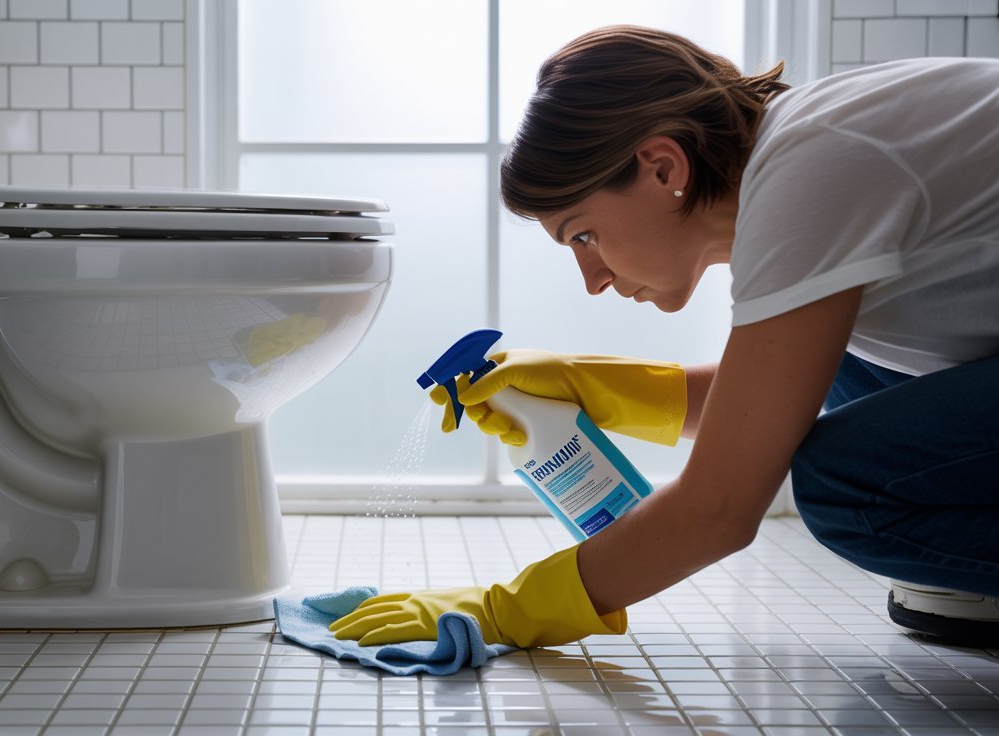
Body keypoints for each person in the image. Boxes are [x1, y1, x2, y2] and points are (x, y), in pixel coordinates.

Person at [331, 25, 999, 648]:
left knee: (846, 488)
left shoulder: (814, 173)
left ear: (662, 167)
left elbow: (719, 509)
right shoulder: (804, 149)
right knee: (842, 364)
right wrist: (595, 387)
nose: (591, 277)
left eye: (583, 234)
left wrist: (505, 610)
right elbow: (767, 404)